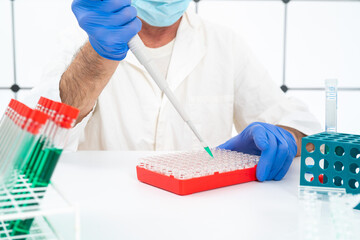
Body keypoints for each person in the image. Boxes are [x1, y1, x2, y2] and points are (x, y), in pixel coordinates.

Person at [26, 0, 321, 182]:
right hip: (110, 219)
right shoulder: (83, 41)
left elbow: (301, 126)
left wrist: (285, 138)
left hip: (200, 219)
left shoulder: (223, 43)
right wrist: (98, 55)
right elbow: (35, 143)